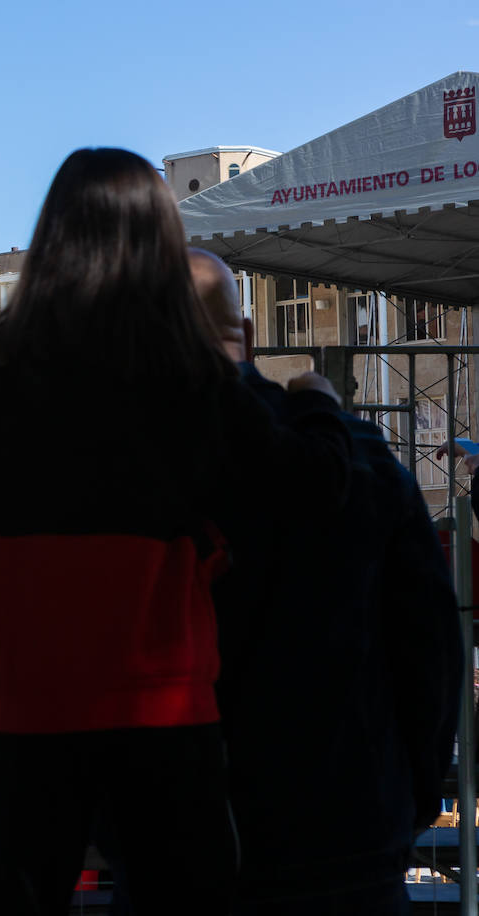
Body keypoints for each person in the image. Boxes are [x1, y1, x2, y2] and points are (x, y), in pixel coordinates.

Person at [0, 148, 354, 915]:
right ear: (160, 243)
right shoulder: (187, 372)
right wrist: (316, 399)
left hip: (32, 706)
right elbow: (311, 489)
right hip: (163, 710)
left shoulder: (6, 369)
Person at [189, 249, 460, 915]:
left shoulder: (126, 480)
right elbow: (430, 645)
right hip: (353, 830)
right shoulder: (361, 457)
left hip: (188, 839)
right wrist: (411, 796)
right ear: (246, 338)